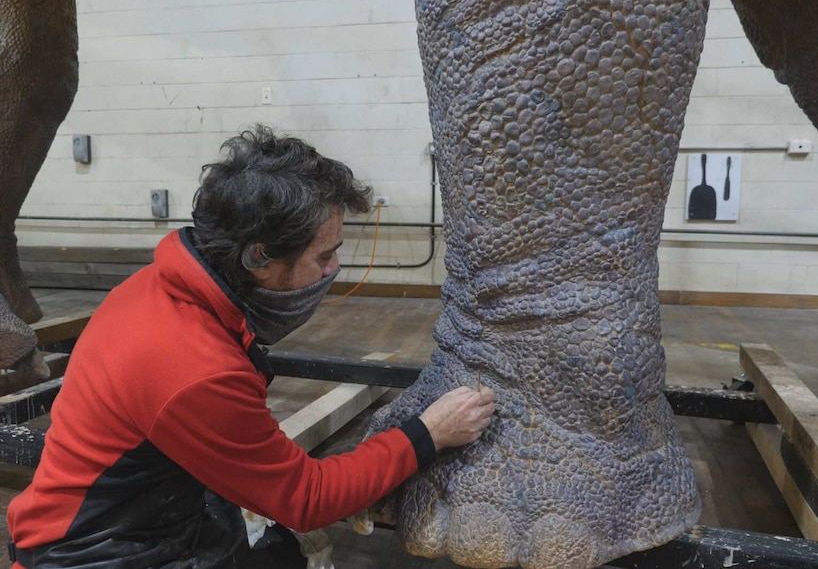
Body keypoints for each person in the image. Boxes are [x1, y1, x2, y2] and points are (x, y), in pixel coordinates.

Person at [6, 125, 495, 568]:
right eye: (324, 255)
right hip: (94, 553)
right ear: (259, 257)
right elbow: (307, 498)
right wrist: (429, 434)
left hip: (135, 510)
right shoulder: (194, 365)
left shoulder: (157, 287)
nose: (333, 270)